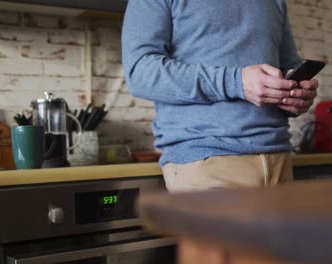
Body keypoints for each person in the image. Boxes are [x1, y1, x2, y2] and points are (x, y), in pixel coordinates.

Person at [122, 0, 319, 192]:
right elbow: (139, 72)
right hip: (205, 161)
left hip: (279, 159)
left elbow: (288, 65)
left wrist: (294, 94)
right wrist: (236, 82)